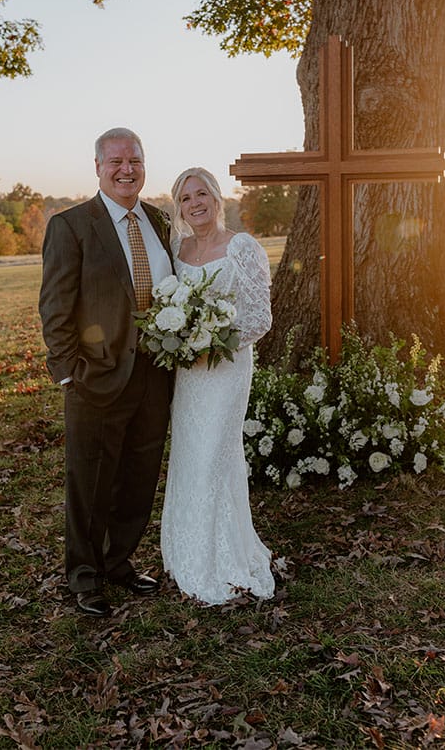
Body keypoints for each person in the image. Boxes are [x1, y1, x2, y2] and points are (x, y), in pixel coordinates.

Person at [39, 127, 173, 616]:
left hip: (154, 376)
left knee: (138, 477)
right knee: (90, 480)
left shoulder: (160, 222)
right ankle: (84, 575)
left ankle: (119, 562)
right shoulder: (72, 225)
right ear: (97, 167)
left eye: (134, 160)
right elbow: (55, 307)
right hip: (94, 376)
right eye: (115, 161)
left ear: (143, 164)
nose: (126, 170)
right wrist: (69, 372)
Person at [161, 167, 275, 606]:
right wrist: (187, 342)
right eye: (186, 198)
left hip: (226, 369)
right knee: (190, 454)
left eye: (202, 193)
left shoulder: (242, 247)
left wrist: (213, 341)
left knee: (215, 454)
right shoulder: (178, 248)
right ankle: (187, 552)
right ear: (180, 208)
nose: (196, 203)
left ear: (216, 197)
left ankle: (225, 559)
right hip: (189, 374)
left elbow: (260, 318)